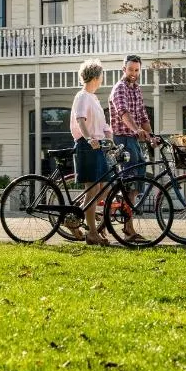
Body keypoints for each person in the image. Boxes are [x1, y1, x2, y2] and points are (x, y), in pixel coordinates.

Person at [70, 58, 113, 246]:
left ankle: (74, 218)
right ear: (96, 76)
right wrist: (89, 139)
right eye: (101, 75)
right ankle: (92, 234)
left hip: (98, 146)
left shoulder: (94, 98)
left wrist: (109, 136)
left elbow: (102, 125)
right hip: (87, 145)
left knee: (106, 187)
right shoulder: (82, 96)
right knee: (92, 189)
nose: (102, 78)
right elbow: (80, 120)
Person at [109, 54, 151, 243]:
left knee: (134, 185)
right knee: (129, 184)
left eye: (137, 70)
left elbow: (143, 116)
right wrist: (137, 130)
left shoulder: (137, 90)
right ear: (123, 69)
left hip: (133, 140)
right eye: (130, 69)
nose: (133, 73)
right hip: (122, 140)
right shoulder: (119, 89)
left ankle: (127, 225)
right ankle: (128, 228)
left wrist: (151, 136)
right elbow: (123, 113)